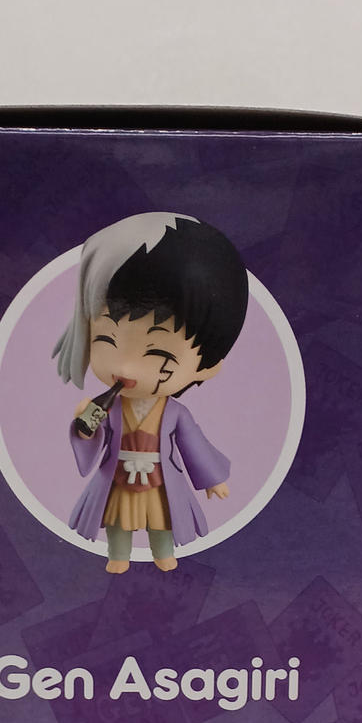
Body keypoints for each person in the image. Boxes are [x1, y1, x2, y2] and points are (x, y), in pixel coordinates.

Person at [52, 213, 249, 572]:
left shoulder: (175, 414)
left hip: (160, 479)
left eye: (158, 352)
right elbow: (90, 436)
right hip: (118, 476)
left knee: (162, 519)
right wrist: (85, 427)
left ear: (206, 366)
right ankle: (118, 555)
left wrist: (212, 479)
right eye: (106, 339)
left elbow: (193, 445)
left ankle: (163, 553)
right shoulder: (108, 407)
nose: (126, 367)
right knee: (118, 519)